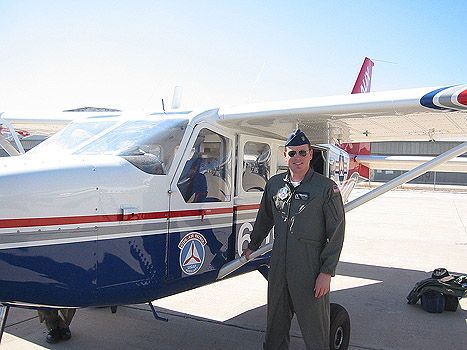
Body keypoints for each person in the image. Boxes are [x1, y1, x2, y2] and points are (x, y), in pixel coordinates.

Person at [243, 129, 345, 350]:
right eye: (292, 153)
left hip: (309, 267)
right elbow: (265, 217)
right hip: (279, 265)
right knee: (275, 329)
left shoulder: (326, 188)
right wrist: (253, 245)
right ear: (285, 155)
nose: (297, 157)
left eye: (302, 152)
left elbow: (336, 232)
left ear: (310, 154)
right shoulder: (275, 184)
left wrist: (326, 272)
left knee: (315, 330)